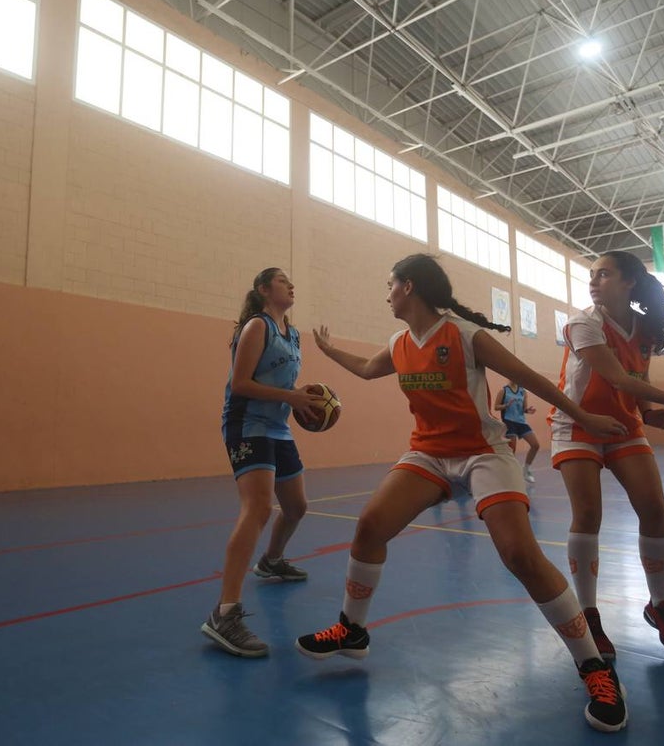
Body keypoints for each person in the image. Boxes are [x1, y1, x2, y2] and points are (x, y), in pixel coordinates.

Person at [295, 253, 633, 733]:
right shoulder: (399, 342)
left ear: (409, 287)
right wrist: (329, 353)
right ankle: (352, 629)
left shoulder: (465, 335)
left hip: (482, 452)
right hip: (429, 454)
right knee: (370, 526)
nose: (386, 292)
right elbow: (370, 370)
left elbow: (532, 379)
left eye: (390, 284)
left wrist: (584, 418)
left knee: (520, 553)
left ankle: (595, 666)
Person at [550, 251, 664, 661]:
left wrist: (647, 412)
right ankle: (588, 614)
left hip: (623, 426)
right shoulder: (582, 322)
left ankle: (661, 607)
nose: (594, 280)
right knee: (588, 516)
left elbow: (636, 379)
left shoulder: (646, 327)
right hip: (578, 423)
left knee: (655, 510)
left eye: (603, 274)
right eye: (592, 275)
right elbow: (617, 376)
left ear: (629, 283)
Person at [201, 267, 325, 658]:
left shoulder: (294, 334)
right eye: (284, 280)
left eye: (292, 280)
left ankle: (271, 562)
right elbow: (240, 384)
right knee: (257, 507)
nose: (292, 284)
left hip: (277, 427)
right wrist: (291, 398)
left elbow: (283, 386)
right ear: (263, 289)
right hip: (247, 423)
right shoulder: (257, 327)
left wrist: (304, 400)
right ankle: (225, 613)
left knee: (296, 506)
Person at [494, 378, 540, 484]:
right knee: (512, 450)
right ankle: (509, 474)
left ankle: (526, 470)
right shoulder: (503, 391)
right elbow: (496, 407)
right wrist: (506, 405)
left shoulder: (523, 391)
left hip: (521, 422)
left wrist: (528, 410)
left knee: (535, 445)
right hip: (509, 422)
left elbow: (524, 409)